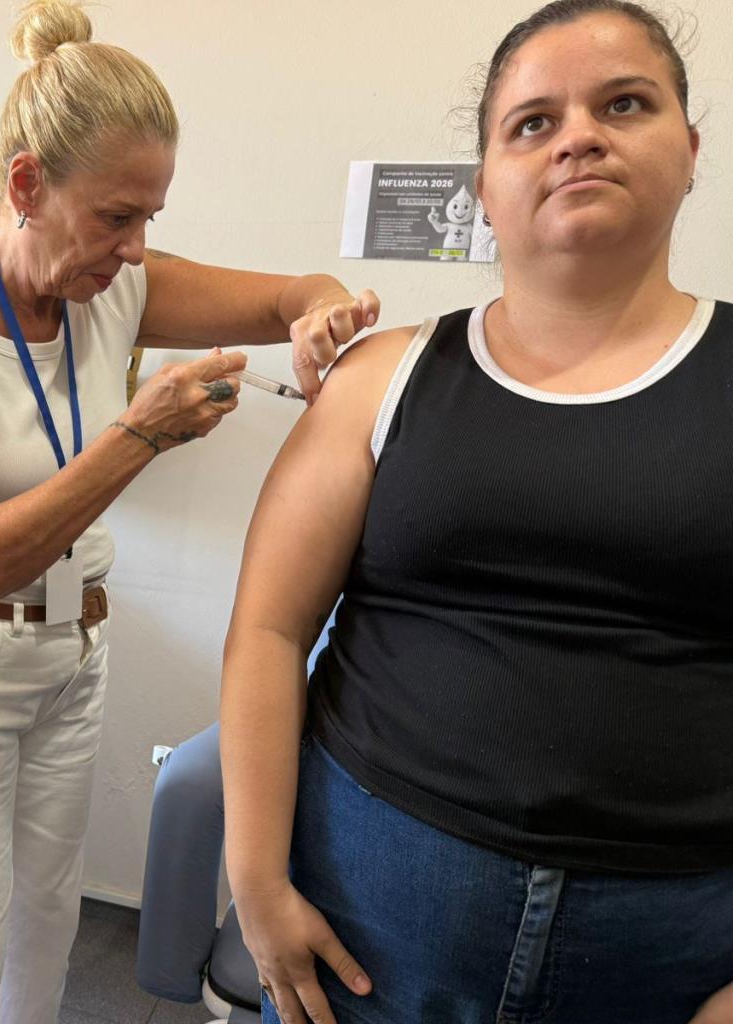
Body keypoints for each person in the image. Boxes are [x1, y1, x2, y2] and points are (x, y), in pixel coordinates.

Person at [0, 3, 378, 1022]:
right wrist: (140, 433)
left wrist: (321, 313)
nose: (134, 251)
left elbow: (292, 294)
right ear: (24, 185)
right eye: (114, 217)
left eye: (151, 220)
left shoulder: (107, 290)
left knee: (40, 938)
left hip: (69, 651)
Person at [221, 3, 733, 1023]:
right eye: (531, 123)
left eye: (623, 103)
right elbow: (268, 630)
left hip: (667, 954)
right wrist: (256, 884)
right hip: (367, 924)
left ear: (687, 150)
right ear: (484, 192)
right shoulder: (384, 377)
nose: (578, 134)